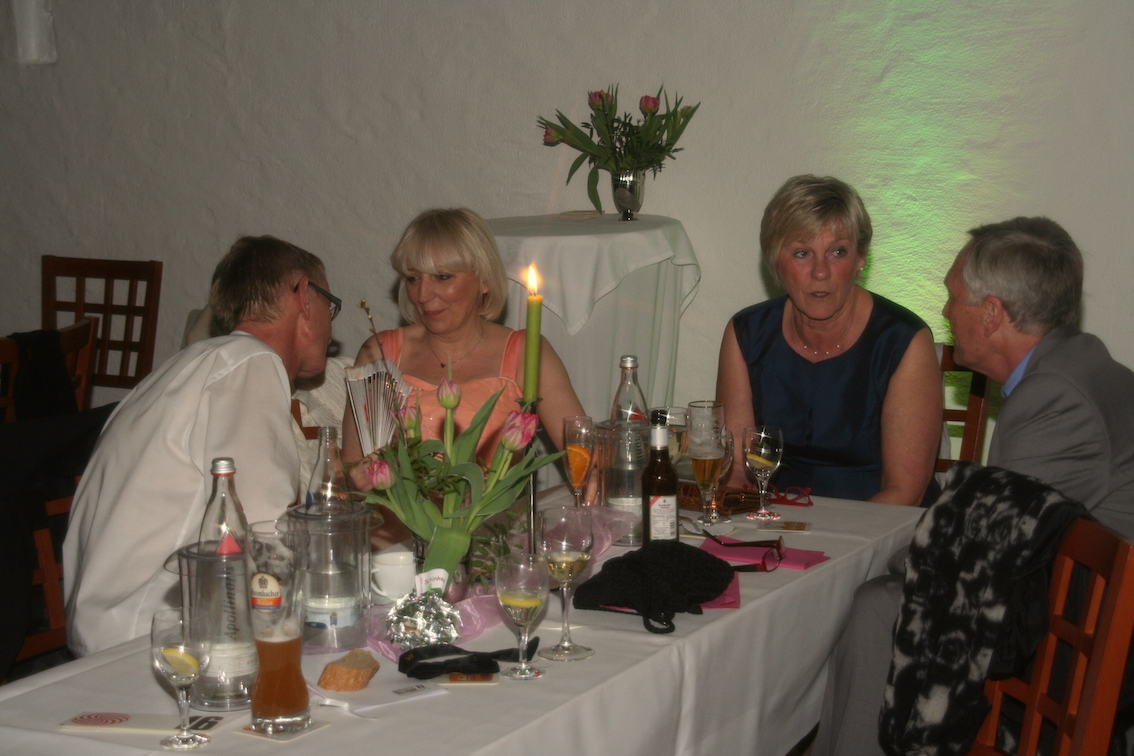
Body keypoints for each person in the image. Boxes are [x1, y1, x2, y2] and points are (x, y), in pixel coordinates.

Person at [813, 216, 1134, 756]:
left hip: (1092, 644)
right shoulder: (1075, 364)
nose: (944, 312)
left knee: (875, 607)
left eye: (952, 297)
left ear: (992, 314)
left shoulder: (1056, 399)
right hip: (1081, 606)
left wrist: (879, 559)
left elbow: (984, 558)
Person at [63, 235, 337, 656]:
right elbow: (264, 534)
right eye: (329, 306)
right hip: (151, 637)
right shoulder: (251, 363)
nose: (331, 329)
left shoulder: (187, 365)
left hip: (105, 625)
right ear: (303, 295)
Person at [342, 208, 587, 534]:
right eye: (413, 278)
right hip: (394, 545)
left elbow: (583, 458)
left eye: (442, 277)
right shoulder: (380, 353)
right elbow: (350, 473)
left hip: (489, 542)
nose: (422, 295)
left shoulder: (527, 353)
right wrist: (360, 477)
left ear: (484, 280)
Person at [716, 175, 941, 505]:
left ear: (861, 257)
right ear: (775, 261)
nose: (820, 272)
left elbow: (904, 492)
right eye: (802, 253)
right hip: (776, 520)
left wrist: (832, 538)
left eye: (837, 252)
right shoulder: (747, 332)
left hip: (880, 524)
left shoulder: (903, 341)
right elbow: (737, 471)